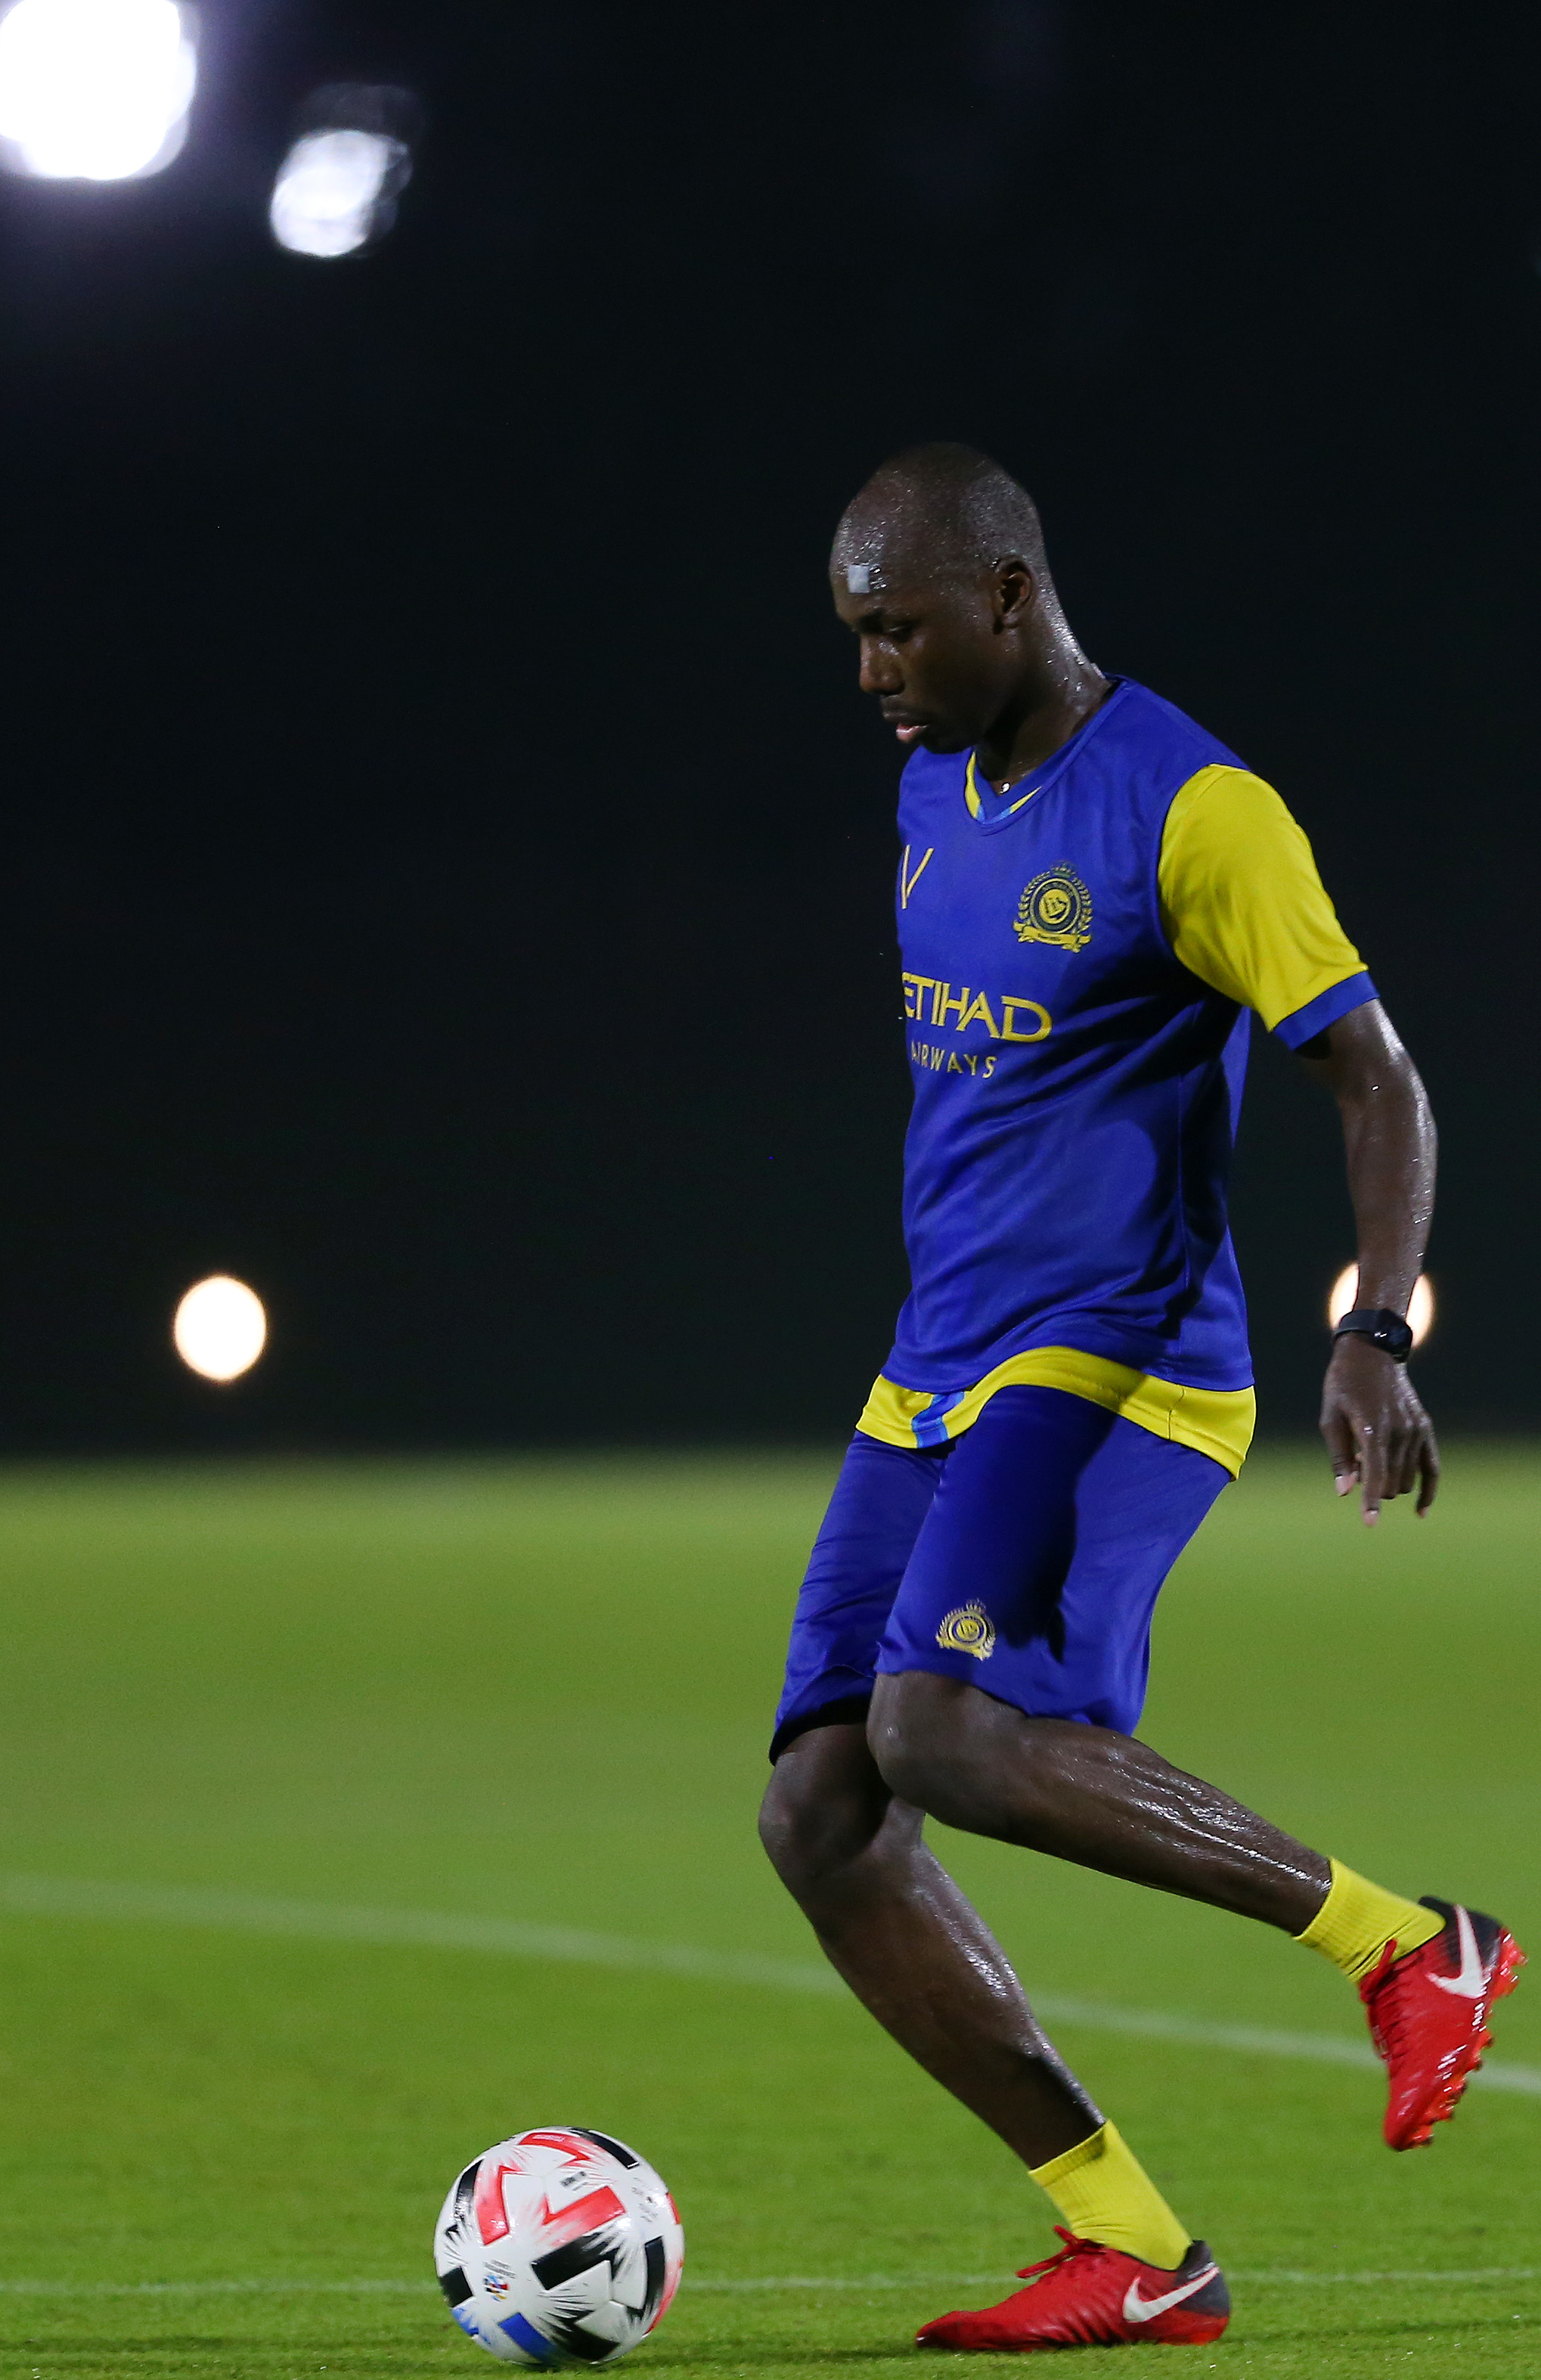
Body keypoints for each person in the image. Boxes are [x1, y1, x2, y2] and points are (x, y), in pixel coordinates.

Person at [757, 446, 1521, 2354]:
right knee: (819, 1812)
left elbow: (1377, 1077)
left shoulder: (1193, 807)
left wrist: (1376, 1330)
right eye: (853, 633)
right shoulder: (933, 784)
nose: (871, 671)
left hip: (1118, 1353)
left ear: (1011, 594)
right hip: (938, 1361)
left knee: (939, 1727)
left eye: (898, 628)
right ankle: (1132, 2244)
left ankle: (1408, 1945)